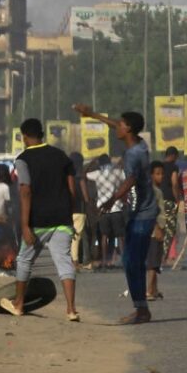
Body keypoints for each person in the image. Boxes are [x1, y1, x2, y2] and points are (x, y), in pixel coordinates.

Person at [74, 105, 157, 325]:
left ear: (128, 129)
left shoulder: (132, 154)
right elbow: (113, 123)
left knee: (131, 260)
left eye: (121, 125)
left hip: (143, 213)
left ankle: (141, 309)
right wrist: (93, 115)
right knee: (132, 260)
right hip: (138, 212)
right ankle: (141, 307)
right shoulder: (140, 143)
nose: (116, 128)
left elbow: (130, 180)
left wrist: (112, 199)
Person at [0, 119, 80, 322]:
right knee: (64, 261)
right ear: (42, 134)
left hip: (39, 219)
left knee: (25, 259)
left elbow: (25, 192)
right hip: (62, 218)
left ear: (25, 136)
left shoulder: (23, 159)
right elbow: (72, 189)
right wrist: (68, 213)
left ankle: (18, 304)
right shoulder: (61, 156)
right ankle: (71, 310)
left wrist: (25, 225)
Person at [87, 154, 125, 269]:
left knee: (104, 236)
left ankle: (104, 260)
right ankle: (124, 259)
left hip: (103, 209)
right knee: (120, 236)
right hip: (116, 207)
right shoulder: (117, 173)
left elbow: (85, 174)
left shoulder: (97, 174)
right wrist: (119, 163)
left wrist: (92, 161)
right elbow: (126, 174)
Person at [145, 161, 173, 300]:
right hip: (153, 230)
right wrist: (157, 228)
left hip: (157, 228)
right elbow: (152, 211)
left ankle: (155, 289)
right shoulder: (152, 191)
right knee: (153, 263)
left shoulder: (157, 190)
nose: (161, 176)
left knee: (155, 261)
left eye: (162, 173)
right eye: (157, 174)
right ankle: (149, 290)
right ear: (151, 175)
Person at [68, 152, 94, 269]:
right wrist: (90, 208)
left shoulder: (67, 177)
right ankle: (76, 262)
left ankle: (73, 260)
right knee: (78, 237)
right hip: (79, 210)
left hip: (68, 210)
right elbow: (86, 197)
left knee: (70, 237)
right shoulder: (80, 178)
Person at [159, 147, 182, 263]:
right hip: (169, 201)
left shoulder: (159, 167)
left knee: (159, 228)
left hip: (158, 201)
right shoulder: (173, 167)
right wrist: (177, 199)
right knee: (170, 229)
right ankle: (163, 255)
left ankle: (157, 254)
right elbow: (174, 183)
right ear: (173, 155)